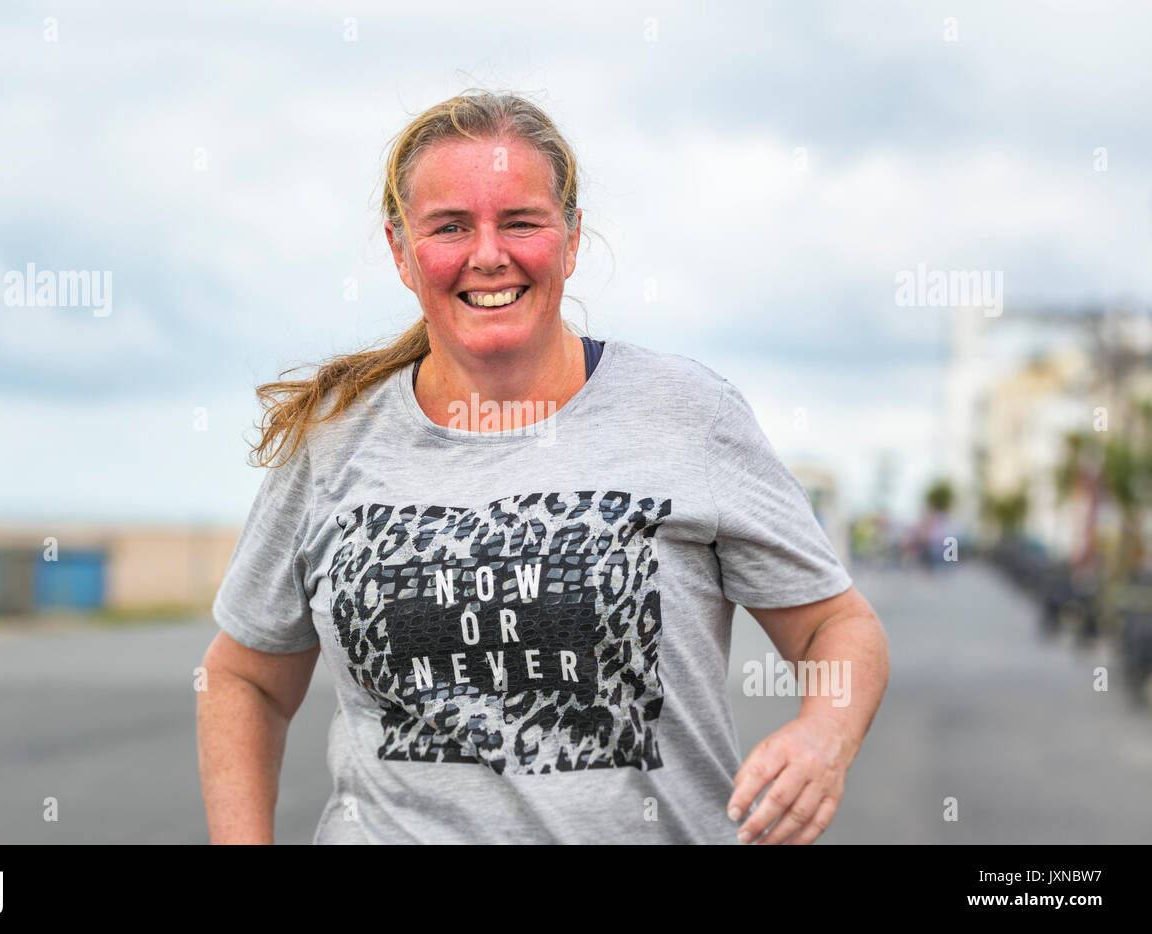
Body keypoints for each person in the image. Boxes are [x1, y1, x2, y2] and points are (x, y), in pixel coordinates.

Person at [196, 89, 890, 845]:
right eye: (450, 227)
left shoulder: (689, 416)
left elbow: (834, 624)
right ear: (401, 251)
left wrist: (825, 737)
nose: (488, 254)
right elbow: (244, 678)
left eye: (520, 222)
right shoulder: (334, 440)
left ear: (571, 237)